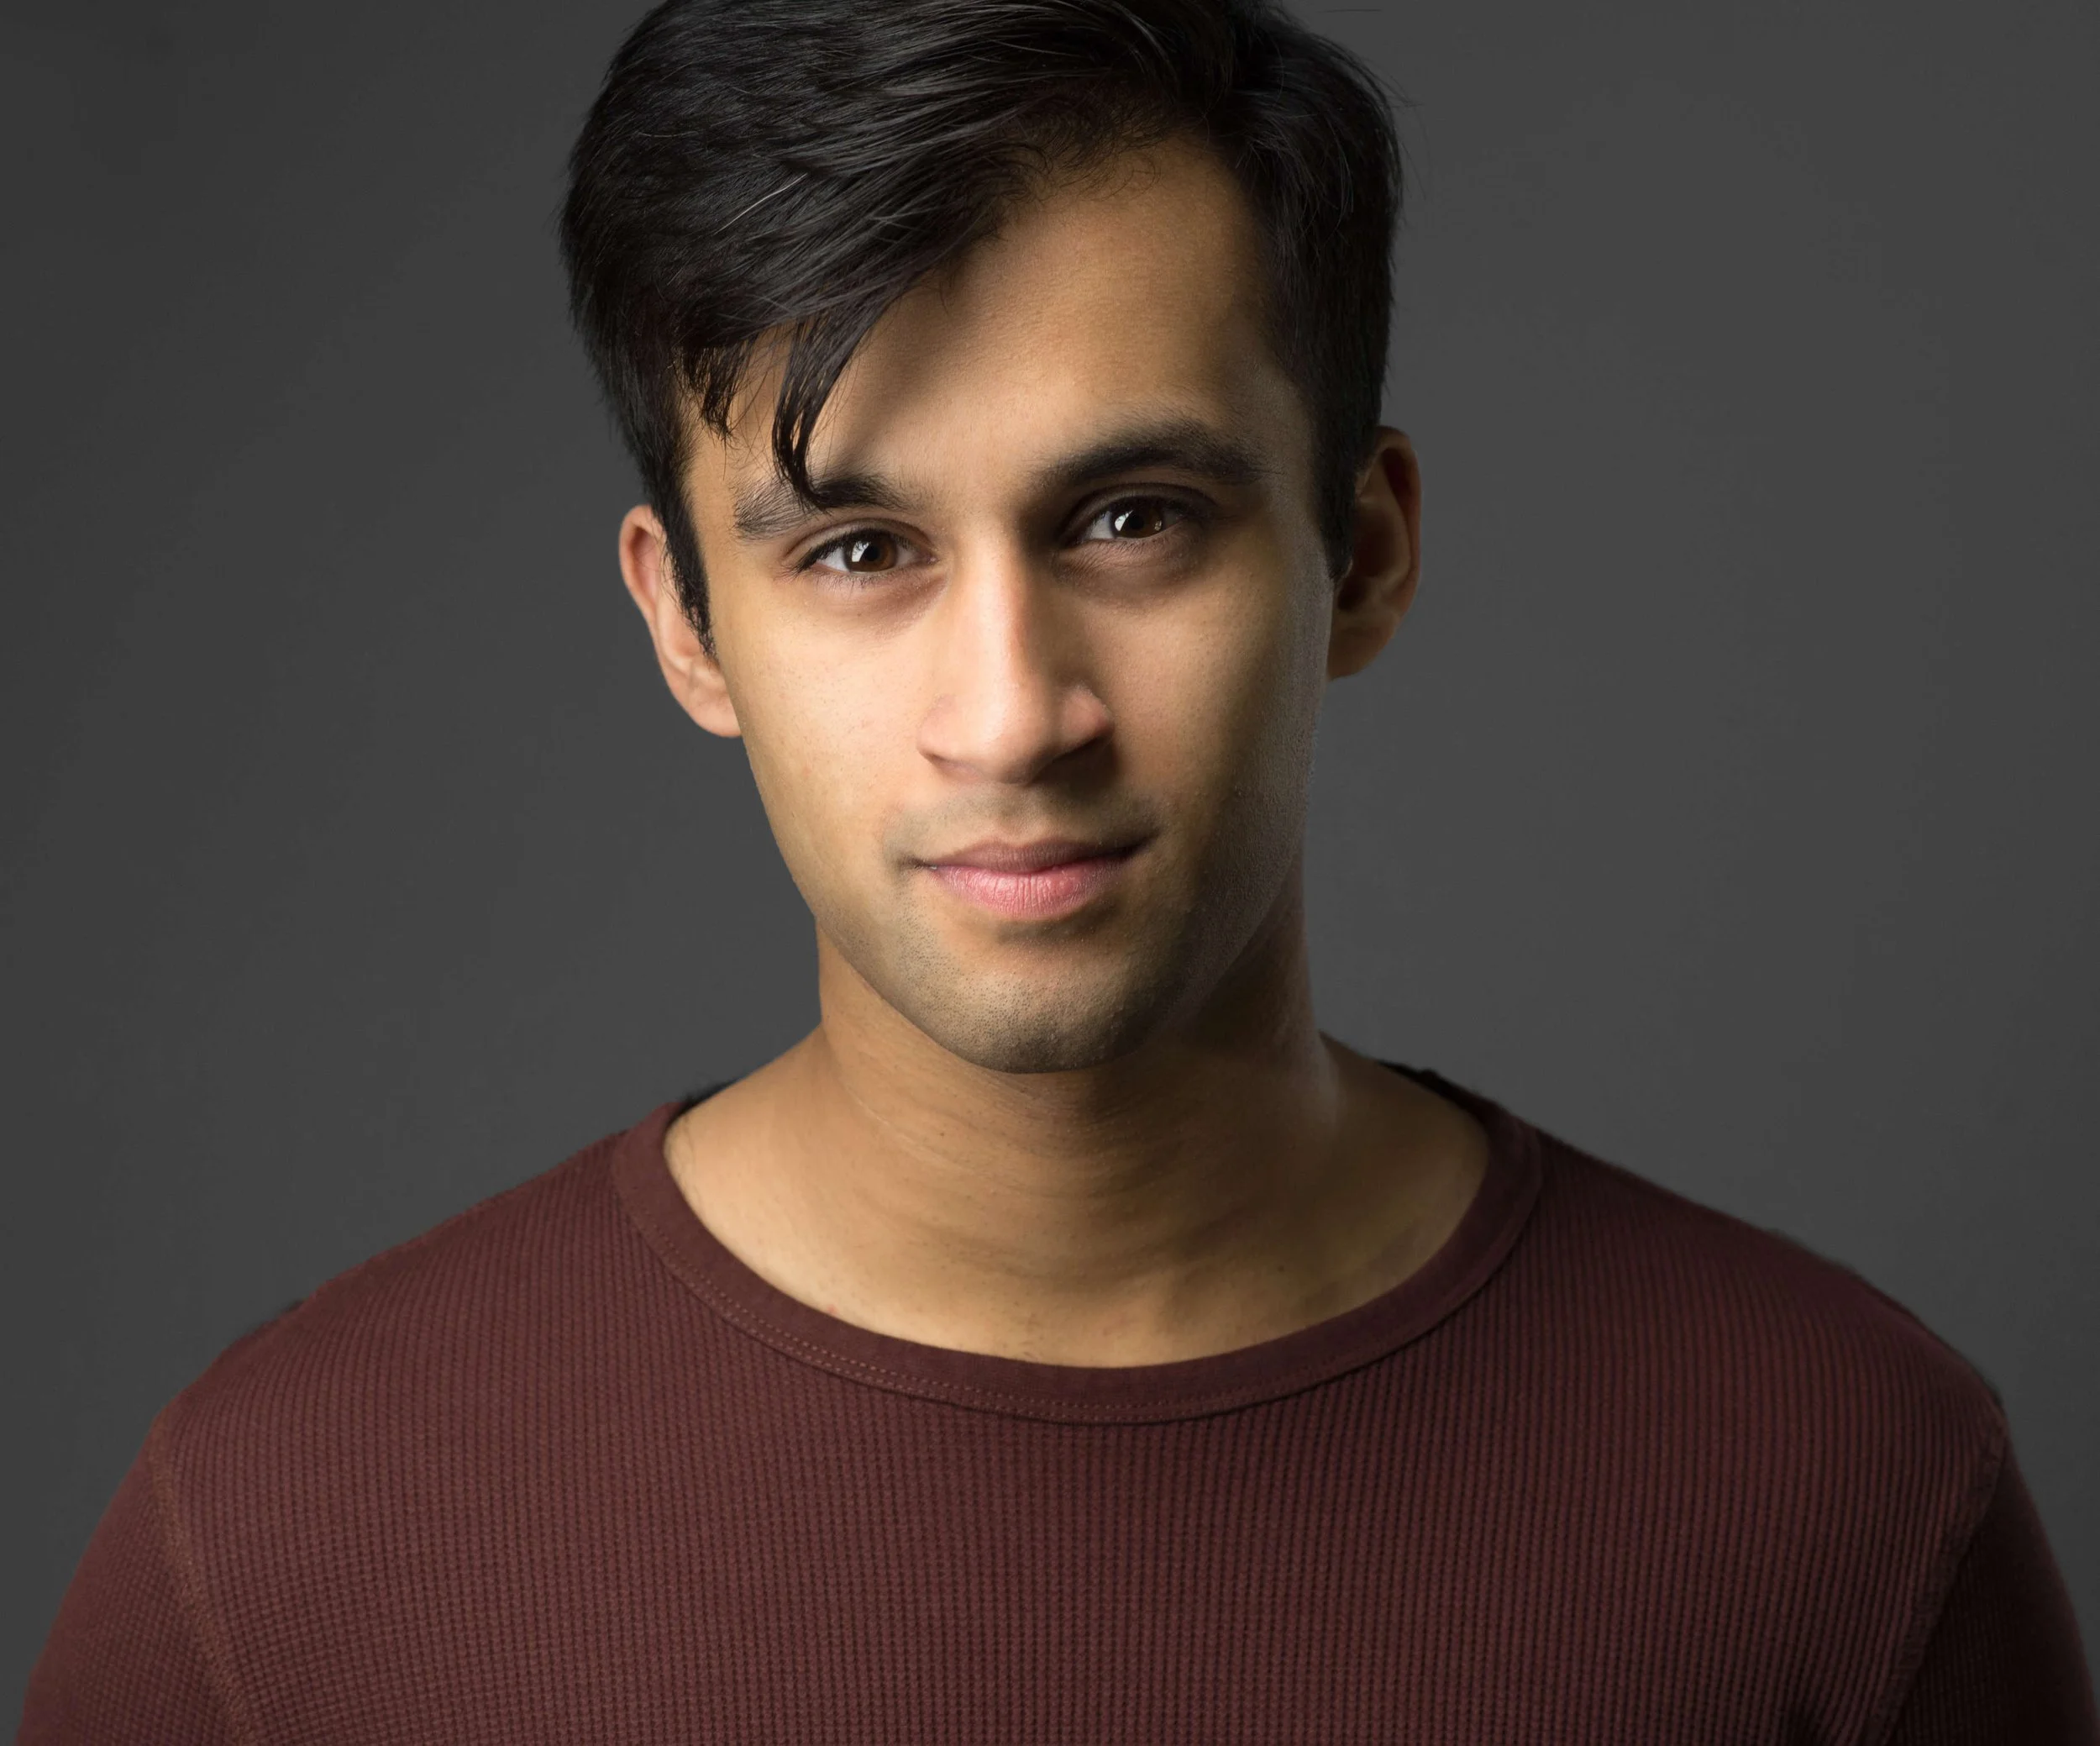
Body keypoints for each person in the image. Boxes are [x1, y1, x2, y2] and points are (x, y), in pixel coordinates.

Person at [20, 0, 2095, 1739]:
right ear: (682, 624)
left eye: (1129, 521)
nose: (1011, 714)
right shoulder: (288, 1546)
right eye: (854, 550)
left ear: (1357, 550)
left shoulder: (1839, 1492)